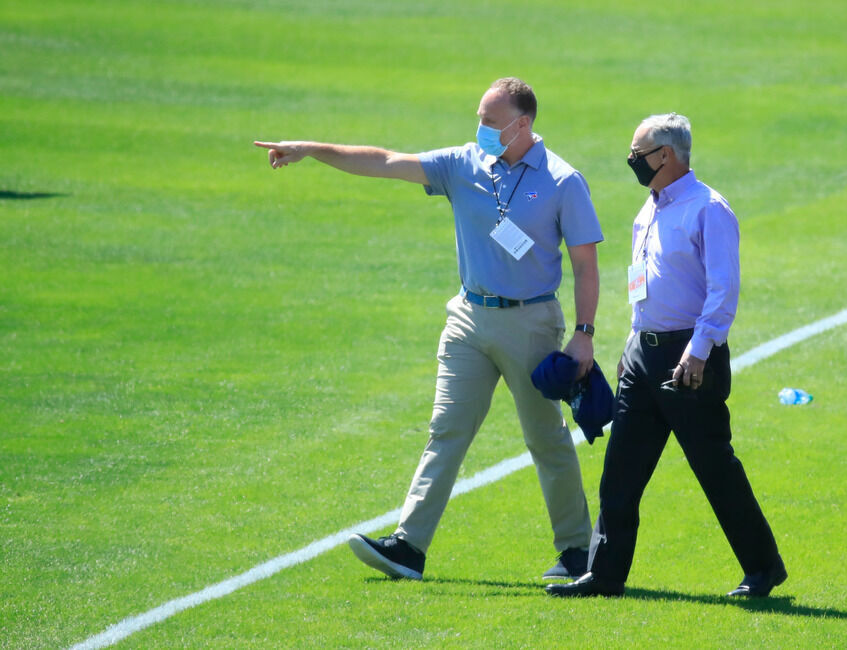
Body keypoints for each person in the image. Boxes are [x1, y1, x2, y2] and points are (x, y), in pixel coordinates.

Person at [254, 77, 601, 581]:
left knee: (546, 439)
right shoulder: (463, 164)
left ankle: (576, 553)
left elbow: (586, 266)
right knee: (446, 430)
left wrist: (585, 332)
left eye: (489, 122)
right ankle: (409, 547)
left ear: (522, 125)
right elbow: (384, 161)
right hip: (467, 319)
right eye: (478, 118)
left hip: (530, 322)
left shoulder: (563, 181)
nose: (478, 129)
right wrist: (310, 149)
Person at [547, 113, 785, 599]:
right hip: (643, 355)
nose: (632, 161)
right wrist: (631, 343)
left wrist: (698, 354)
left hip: (690, 357)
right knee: (620, 471)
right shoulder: (647, 210)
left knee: (714, 468)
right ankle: (605, 573)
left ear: (667, 156)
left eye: (638, 153)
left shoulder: (708, 209)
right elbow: (640, 283)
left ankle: (763, 569)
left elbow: (723, 291)